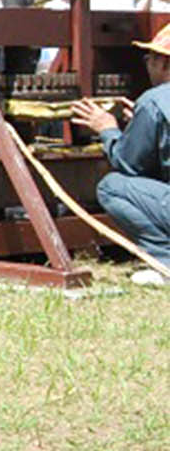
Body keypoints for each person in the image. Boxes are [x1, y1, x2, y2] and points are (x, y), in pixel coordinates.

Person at [78, 24, 170, 287]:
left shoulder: (154, 101)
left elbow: (129, 163)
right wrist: (141, 125)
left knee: (112, 187)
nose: (147, 66)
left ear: (163, 63)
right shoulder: (154, 106)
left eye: (149, 60)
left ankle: (165, 262)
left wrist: (108, 130)